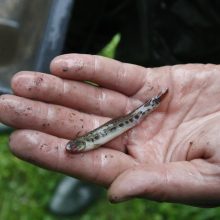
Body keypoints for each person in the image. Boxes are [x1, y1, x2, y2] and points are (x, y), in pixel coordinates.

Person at [0, 53, 220, 207]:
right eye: (75, 147)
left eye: (75, 147)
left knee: (137, 113)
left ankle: (156, 100)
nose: (73, 149)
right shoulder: (87, 142)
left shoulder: (89, 142)